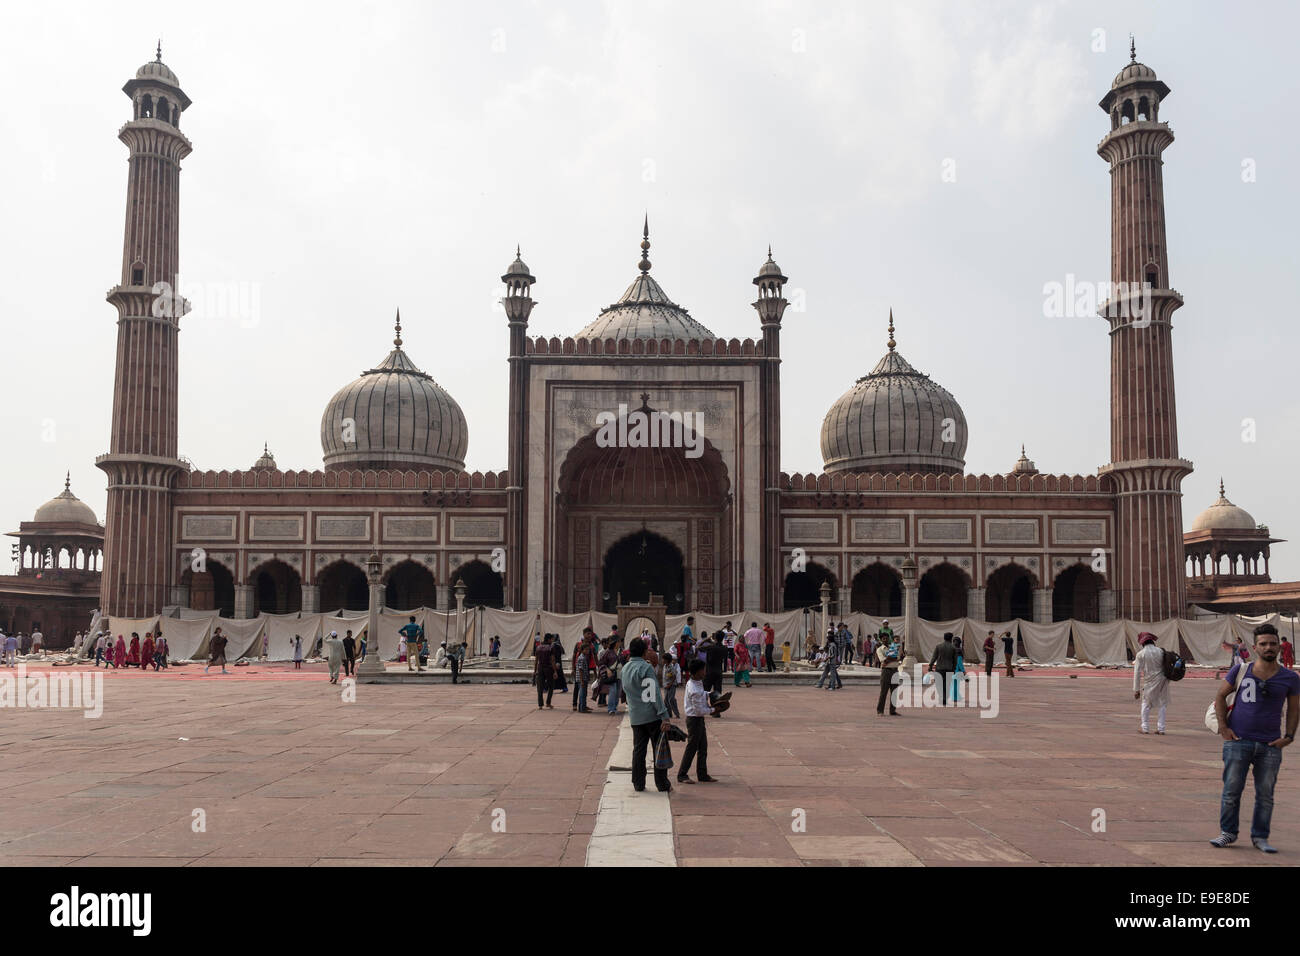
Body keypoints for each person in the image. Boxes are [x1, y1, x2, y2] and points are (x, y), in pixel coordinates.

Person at [1211, 623, 1300, 852]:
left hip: (1270, 744)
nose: (1268, 647)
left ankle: (1260, 837)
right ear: (1254, 647)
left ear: (1280, 647)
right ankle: (1227, 833)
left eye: (1272, 643)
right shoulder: (1241, 671)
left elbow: (1294, 709)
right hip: (1239, 741)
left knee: (1266, 795)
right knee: (1231, 790)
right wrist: (1223, 728)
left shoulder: (1290, 678)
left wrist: (1288, 736)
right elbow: (1221, 696)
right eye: (1263, 644)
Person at [622, 637, 673, 793]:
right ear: (645, 652)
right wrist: (664, 715)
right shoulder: (645, 668)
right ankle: (662, 783)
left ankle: (638, 782)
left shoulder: (625, 668)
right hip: (651, 716)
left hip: (636, 716)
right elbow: (654, 695)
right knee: (659, 749)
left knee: (638, 750)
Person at [678, 660, 721, 784]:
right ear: (697, 672)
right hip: (694, 720)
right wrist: (714, 709)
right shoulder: (693, 688)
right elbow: (699, 711)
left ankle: (702, 774)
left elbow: (702, 694)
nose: (705, 671)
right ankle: (682, 774)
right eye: (703, 669)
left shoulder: (696, 682)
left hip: (698, 720)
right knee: (692, 748)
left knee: (703, 748)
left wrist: (710, 694)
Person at [1131, 632, 1170, 734]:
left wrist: (1136, 690)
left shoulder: (1141, 654)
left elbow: (1137, 673)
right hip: (1163, 680)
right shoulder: (1161, 651)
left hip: (1150, 681)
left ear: (1143, 643)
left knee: (1146, 703)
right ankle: (1161, 729)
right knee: (1162, 704)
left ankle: (1145, 727)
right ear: (1152, 641)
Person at [929, 633, 958, 706]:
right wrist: (954, 668)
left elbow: (934, 657)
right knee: (947, 684)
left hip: (939, 668)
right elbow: (955, 660)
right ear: (951, 638)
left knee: (939, 684)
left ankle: (941, 696)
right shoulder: (953, 648)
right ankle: (945, 697)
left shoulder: (939, 646)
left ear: (944, 638)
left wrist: (930, 665)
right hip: (949, 668)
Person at [876, 633, 901, 716]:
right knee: (883, 692)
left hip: (895, 671)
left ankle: (892, 710)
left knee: (894, 692)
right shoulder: (879, 649)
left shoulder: (892, 647)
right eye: (884, 638)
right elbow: (882, 660)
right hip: (886, 672)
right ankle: (880, 710)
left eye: (887, 638)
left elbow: (897, 658)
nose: (886, 640)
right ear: (881, 640)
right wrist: (891, 658)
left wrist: (888, 659)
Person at [533, 633, 559, 709]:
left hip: (540, 668)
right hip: (549, 669)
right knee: (551, 686)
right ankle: (548, 703)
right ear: (549, 639)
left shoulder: (538, 647)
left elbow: (536, 661)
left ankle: (540, 705)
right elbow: (553, 660)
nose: (552, 640)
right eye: (551, 639)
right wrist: (555, 671)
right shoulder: (551, 648)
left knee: (540, 688)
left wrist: (535, 671)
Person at [599, 639, 621, 715]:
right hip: (612, 674)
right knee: (613, 691)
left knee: (618, 692)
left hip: (620, 675)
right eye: (618, 641)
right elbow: (601, 662)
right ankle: (611, 709)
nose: (620, 643)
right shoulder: (608, 652)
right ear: (615, 643)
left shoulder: (621, 651)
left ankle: (614, 707)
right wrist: (607, 669)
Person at [573, 634, 593, 713]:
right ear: (582, 650)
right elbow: (580, 669)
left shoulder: (582, 657)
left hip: (582, 678)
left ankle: (582, 707)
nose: (588, 651)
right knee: (582, 694)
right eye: (587, 650)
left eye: (588, 650)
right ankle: (582, 708)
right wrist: (581, 680)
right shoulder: (582, 658)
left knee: (583, 694)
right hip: (581, 678)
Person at [663, 650, 681, 718]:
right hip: (666, 685)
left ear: (667, 660)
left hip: (671, 685)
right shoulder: (665, 666)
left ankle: (677, 714)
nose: (662, 660)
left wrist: (670, 684)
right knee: (666, 700)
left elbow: (674, 676)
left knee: (671, 699)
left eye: (663, 659)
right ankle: (669, 714)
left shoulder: (671, 667)